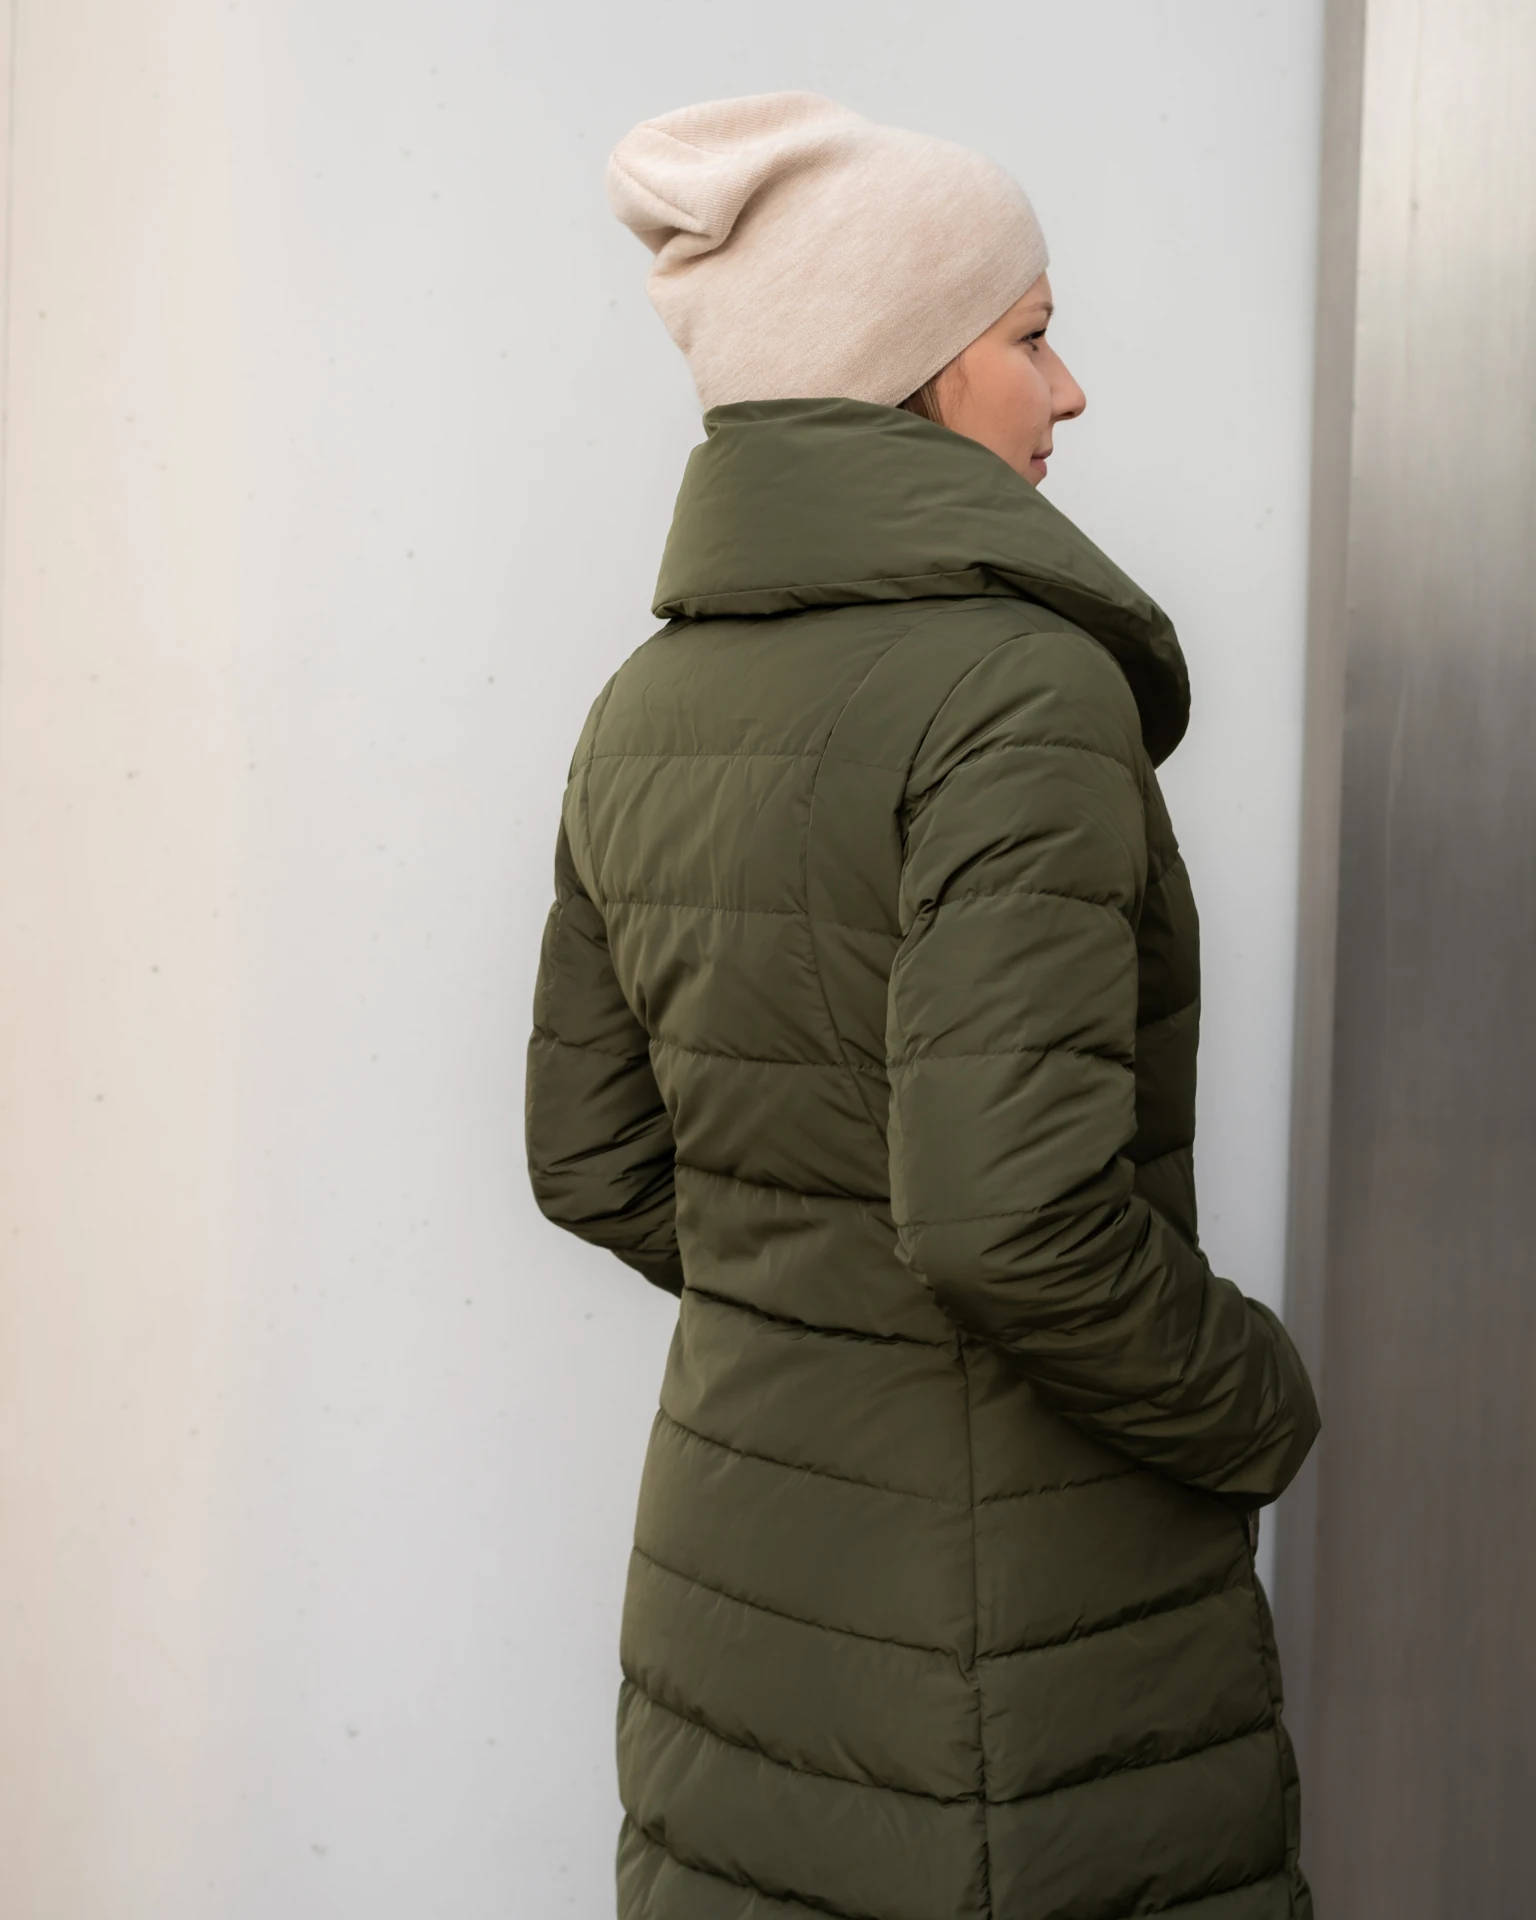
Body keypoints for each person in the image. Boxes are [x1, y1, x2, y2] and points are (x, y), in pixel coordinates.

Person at [526, 90, 1320, 1920]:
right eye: (1031, 335)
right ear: (913, 365)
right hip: (1013, 1640)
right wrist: (1253, 1403)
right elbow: (1004, 1222)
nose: (1069, 390)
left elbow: (592, 1160)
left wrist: (830, 1311)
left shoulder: (646, 705)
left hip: (735, 1589)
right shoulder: (1019, 693)